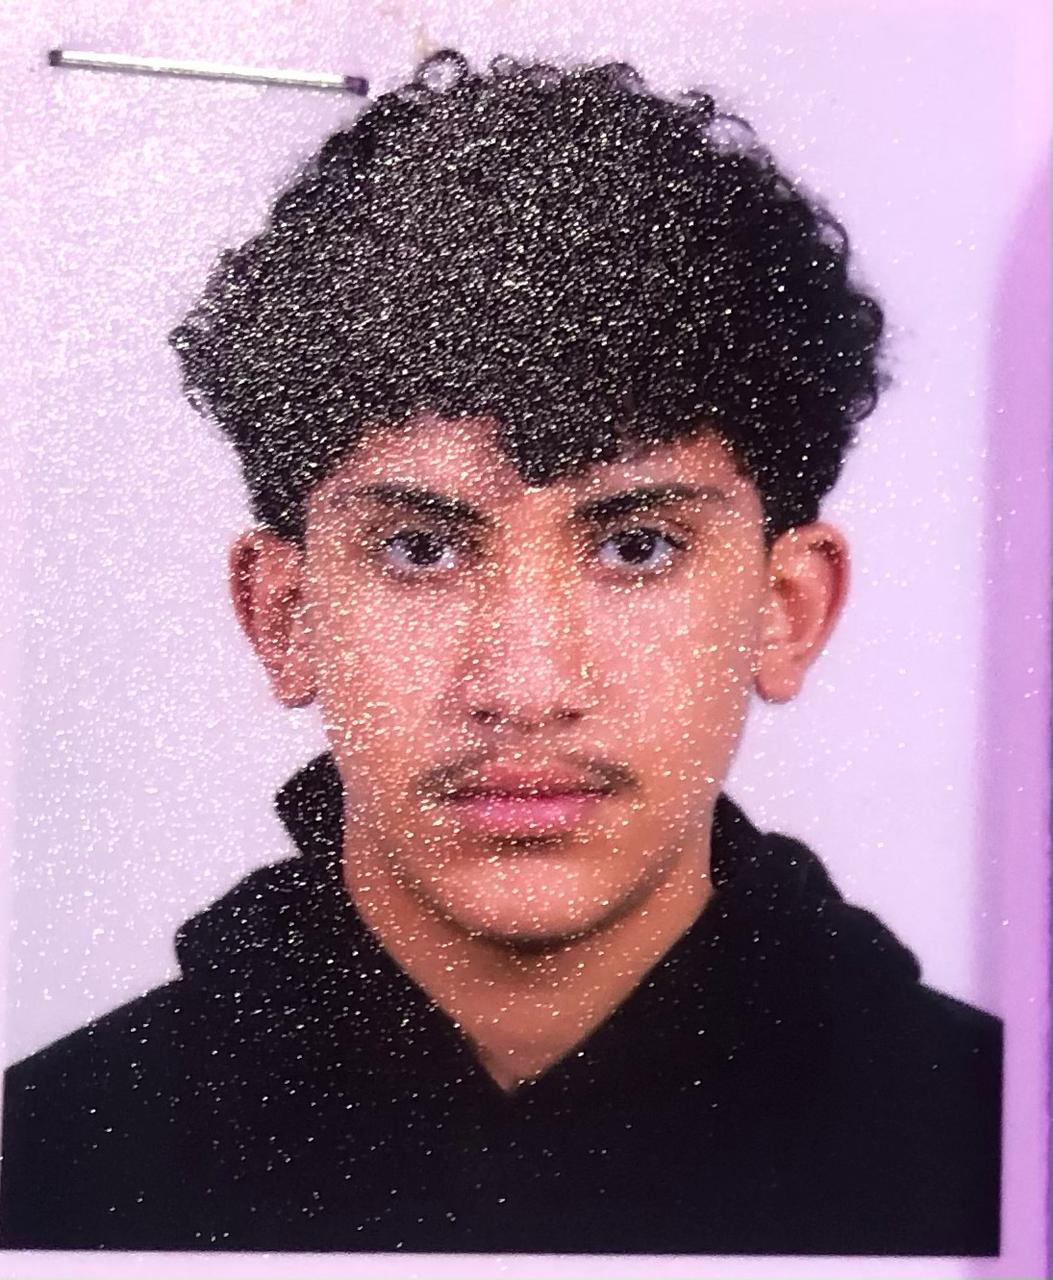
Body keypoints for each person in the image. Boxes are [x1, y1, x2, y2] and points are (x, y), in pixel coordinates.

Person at [0, 50, 1001, 1256]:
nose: (525, 685)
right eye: (421, 548)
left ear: (787, 606)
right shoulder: (44, 1160)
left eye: (635, 544)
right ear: (285, 613)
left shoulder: (992, 1146)